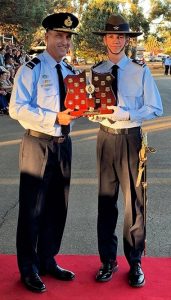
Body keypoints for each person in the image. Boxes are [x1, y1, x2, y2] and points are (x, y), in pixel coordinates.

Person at [89, 15, 163, 287]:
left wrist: (127, 114)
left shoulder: (140, 70)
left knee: (134, 202)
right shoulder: (96, 70)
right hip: (105, 139)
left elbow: (155, 108)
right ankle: (107, 260)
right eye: (111, 35)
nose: (116, 39)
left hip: (131, 139)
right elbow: (94, 104)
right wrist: (93, 114)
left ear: (127, 40)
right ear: (105, 39)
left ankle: (135, 262)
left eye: (121, 36)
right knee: (106, 202)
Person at [9, 12, 79, 293]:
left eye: (67, 37)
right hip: (38, 144)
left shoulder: (72, 73)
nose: (64, 41)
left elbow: (73, 109)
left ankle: (48, 259)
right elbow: (17, 108)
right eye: (59, 35)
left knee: (56, 207)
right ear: (47, 37)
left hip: (63, 145)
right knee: (32, 209)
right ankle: (28, 268)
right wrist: (54, 118)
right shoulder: (31, 68)